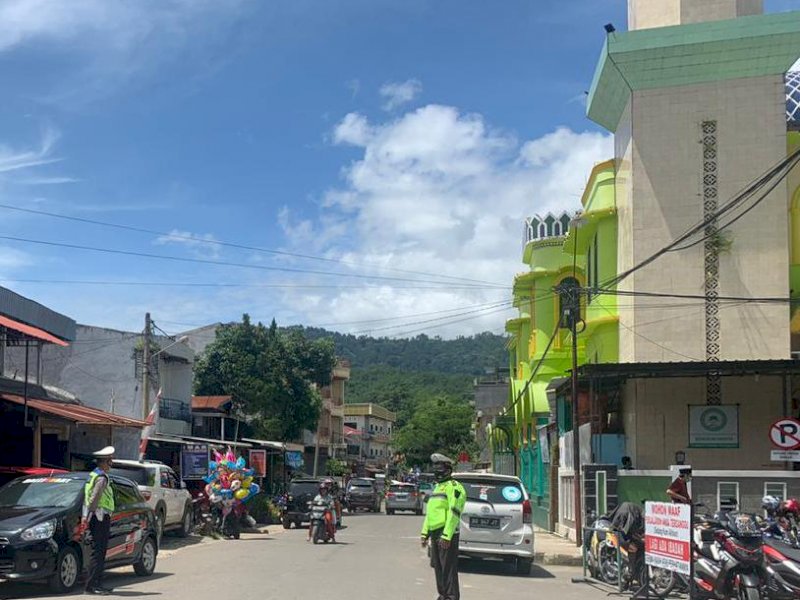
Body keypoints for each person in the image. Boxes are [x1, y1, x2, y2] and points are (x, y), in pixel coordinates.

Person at [420, 453, 466, 600]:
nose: (437, 470)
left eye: (439, 467)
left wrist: (447, 535)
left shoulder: (454, 487)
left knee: (448, 568)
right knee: (438, 568)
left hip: (447, 533)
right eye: (436, 467)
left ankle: (451, 597)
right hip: (435, 532)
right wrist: (424, 533)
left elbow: (454, 513)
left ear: (448, 469)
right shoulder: (437, 488)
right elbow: (430, 513)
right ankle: (443, 595)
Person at [82, 446, 116, 595]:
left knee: (99, 551)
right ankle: (92, 585)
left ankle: (97, 584)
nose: (111, 464)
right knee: (99, 552)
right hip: (100, 516)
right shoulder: (101, 477)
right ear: (104, 462)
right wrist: (89, 515)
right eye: (110, 461)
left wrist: (86, 516)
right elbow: (94, 498)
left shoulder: (93, 475)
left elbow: (88, 497)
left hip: (96, 516)